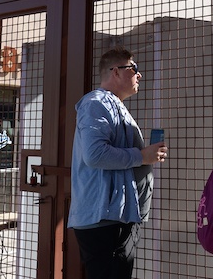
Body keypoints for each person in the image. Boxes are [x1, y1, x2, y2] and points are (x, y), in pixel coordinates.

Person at [68, 46, 168, 279]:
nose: (139, 75)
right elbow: (95, 154)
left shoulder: (113, 104)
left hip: (114, 218)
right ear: (115, 71)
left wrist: (146, 155)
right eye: (134, 68)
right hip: (104, 221)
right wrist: (142, 156)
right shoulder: (96, 103)